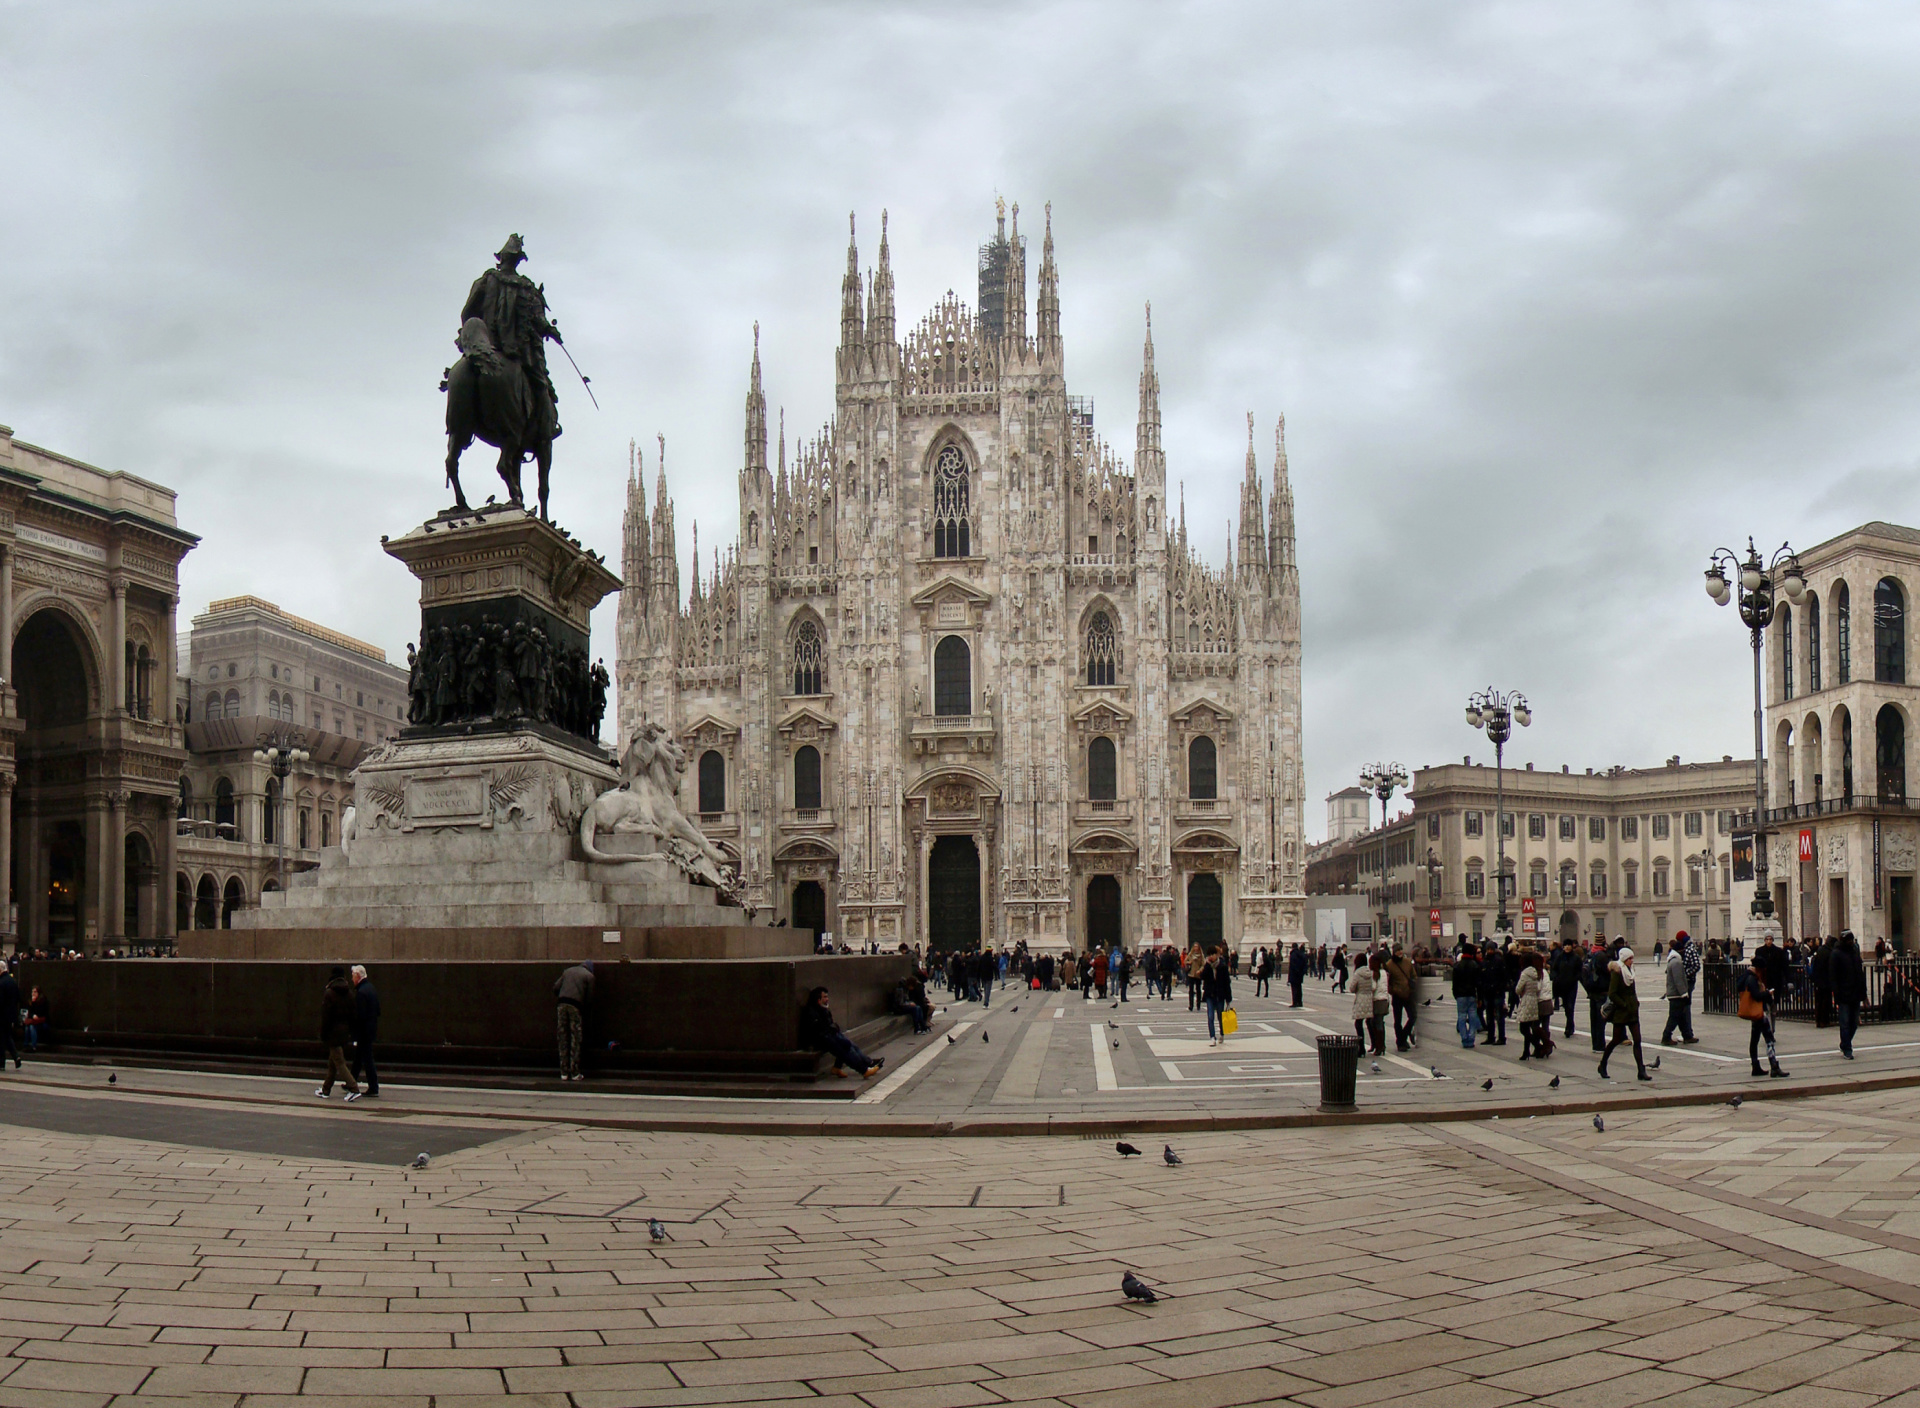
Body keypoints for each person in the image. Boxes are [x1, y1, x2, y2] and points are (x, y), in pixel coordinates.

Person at [799, 986, 883, 1078]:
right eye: (824, 997)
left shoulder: (823, 1009)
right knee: (843, 1048)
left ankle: (865, 1063)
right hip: (818, 1041)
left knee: (849, 1044)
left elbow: (828, 1026)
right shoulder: (812, 1012)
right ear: (818, 999)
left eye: (827, 997)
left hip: (828, 1036)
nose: (827, 999)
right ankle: (863, 1070)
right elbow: (818, 1031)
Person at [1598, 947, 1651, 1082]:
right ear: (1624, 959)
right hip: (1622, 1012)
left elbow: (1632, 991)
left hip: (1632, 1011)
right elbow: (1612, 993)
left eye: (1632, 958)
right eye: (1629, 959)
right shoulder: (1617, 972)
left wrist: (1635, 1003)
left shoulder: (1630, 972)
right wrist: (1624, 1004)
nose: (1631, 961)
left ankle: (1641, 1070)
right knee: (1616, 1040)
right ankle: (1603, 1064)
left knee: (1637, 1040)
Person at [315, 966, 362, 1101]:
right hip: (344, 1032)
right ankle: (325, 1090)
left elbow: (326, 1017)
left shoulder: (329, 993)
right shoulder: (349, 993)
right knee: (333, 1063)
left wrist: (323, 1034)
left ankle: (353, 1088)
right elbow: (353, 1015)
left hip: (332, 1033)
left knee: (339, 1063)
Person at [1740, 955, 1789, 1077]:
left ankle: (1755, 1066)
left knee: (1754, 1040)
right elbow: (1756, 995)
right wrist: (1767, 993)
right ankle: (1774, 1066)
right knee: (1769, 1039)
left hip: (1755, 1014)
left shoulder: (1746, 976)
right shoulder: (1752, 979)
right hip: (1760, 1013)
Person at [553, 959, 595, 1082]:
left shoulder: (567, 971)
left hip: (561, 1004)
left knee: (562, 1037)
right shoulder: (590, 976)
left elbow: (555, 987)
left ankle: (564, 1072)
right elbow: (590, 998)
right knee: (575, 1038)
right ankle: (575, 1072)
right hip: (575, 1006)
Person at [1833, 930, 1866, 1059]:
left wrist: (1864, 994)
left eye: (1851, 940)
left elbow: (1860, 974)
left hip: (1855, 993)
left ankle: (1845, 1042)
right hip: (1843, 994)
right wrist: (1836, 994)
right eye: (1848, 940)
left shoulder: (1854, 953)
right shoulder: (1836, 954)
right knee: (1845, 1022)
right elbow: (1833, 976)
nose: (1850, 942)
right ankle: (1847, 1048)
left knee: (1854, 1022)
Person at [350, 964, 381, 1099]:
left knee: (367, 1059)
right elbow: (378, 1010)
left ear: (358, 976)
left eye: (352, 976)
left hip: (364, 1031)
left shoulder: (361, 993)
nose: (352, 979)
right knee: (359, 1058)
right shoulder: (371, 989)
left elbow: (359, 1016)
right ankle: (351, 1081)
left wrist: (355, 1034)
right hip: (371, 1028)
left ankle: (373, 1087)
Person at [1660, 936, 1695, 1047]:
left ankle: (1687, 1036)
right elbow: (1678, 980)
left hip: (1675, 993)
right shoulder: (1676, 963)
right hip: (1676, 994)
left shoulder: (1673, 961)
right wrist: (1684, 994)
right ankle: (1666, 1036)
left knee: (1681, 1016)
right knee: (1674, 1017)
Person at [1351, 952, 1387, 1056]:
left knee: (1358, 1024)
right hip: (1369, 999)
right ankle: (1375, 1044)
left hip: (1361, 999)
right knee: (1370, 1022)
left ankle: (1361, 1048)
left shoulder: (1358, 973)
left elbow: (1352, 988)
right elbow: (1373, 987)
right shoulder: (1370, 972)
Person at [1514, 952, 1546, 1060]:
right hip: (1533, 1001)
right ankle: (1526, 1051)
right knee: (1527, 1028)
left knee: (1523, 1029)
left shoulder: (1524, 974)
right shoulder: (1535, 973)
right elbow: (1537, 988)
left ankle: (1538, 1046)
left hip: (1526, 1000)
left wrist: (1522, 992)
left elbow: (1518, 989)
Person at [1549, 938, 1582, 1041]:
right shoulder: (1560, 957)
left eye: (1569, 945)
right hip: (1562, 985)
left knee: (1570, 1006)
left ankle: (1569, 1027)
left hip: (1572, 985)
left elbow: (1579, 971)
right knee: (1566, 1007)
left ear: (1572, 946)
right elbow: (1554, 969)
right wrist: (1556, 978)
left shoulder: (1576, 958)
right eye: (1565, 945)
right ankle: (1571, 1024)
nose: (1567, 947)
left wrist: (1575, 978)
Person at [1385, 946, 1417, 1050]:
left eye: (1400, 950)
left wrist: (1412, 986)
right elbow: (1387, 982)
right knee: (1397, 1020)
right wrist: (1393, 991)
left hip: (1408, 994)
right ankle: (1401, 1043)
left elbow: (1414, 976)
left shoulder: (1407, 962)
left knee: (1413, 1016)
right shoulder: (1389, 965)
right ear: (1393, 952)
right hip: (1397, 996)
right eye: (1397, 950)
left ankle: (1402, 1037)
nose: (1399, 952)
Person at [1452, 943, 1483, 1049]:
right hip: (1471, 994)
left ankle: (1464, 1038)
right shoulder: (1475, 965)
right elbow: (1479, 983)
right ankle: (1471, 1038)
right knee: (1473, 1017)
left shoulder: (1457, 966)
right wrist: (1480, 997)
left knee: (1461, 1017)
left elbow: (1454, 983)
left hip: (1460, 995)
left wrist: (1456, 994)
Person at [1201, 948, 1233, 1045]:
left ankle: (1222, 1034)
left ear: (1217, 955)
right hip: (1210, 995)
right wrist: (1206, 965)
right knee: (1210, 1016)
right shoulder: (1207, 966)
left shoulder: (1222, 967)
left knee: (1220, 1016)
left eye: (1212, 954)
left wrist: (1228, 998)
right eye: (1209, 955)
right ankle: (1212, 1037)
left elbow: (1227, 983)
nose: (1211, 956)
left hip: (1220, 995)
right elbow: (1203, 977)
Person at [0, 964, 20, 1070]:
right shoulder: (13, 981)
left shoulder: (1, 983)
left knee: (1, 1039)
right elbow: (17, 998)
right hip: (11, 1015)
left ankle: (1, 1063)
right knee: (7, 1037)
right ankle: (16, 1057)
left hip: (2, 1015)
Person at [22, 986, 48, 1051]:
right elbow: (29, 1012)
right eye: (32, 992)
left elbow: (42, 1013)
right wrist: (33, 1004)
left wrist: (35, 1004)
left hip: (42, 1022)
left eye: (35, 992)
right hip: (34, 1021)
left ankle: (34, 1046)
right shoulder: (31, 1002)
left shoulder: (43, 1002)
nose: (33, 994)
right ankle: (26, 1045)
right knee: (28, 1027)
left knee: (32, 1027)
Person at [1287, 942, 1308, 1008]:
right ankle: (1300, 1002)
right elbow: (1305, 963)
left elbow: (1292, 966)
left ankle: (1295, 1002)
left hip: (1294, 974)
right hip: (1300, 974)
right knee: (1299, 988)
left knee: (1294, 989)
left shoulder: (1293, 954)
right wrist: (1302, 972)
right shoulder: (1301, 954)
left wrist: (1289, 978)